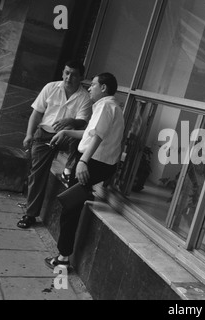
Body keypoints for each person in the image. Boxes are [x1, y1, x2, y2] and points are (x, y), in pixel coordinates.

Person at [44, 72, 124, 269]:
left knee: (70, 209)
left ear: (103, 88)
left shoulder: (106, 106)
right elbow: (89, 134)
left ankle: (63, 258)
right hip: (95, 162)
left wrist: (83, 163)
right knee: (72, 204)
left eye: (93, 85)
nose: (89, 88)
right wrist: (65, 131)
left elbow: (97, 137)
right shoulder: (108, 106)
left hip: (93, 162)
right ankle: (64, 254)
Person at [17, 61, 92, 229]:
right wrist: (29, 134)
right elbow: (36, 113)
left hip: (67, 136)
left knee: (82, 137)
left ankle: (69, 169)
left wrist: (71, 121)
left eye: (73, 74)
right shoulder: (50, 88)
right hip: (44, 134)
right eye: (66, 73)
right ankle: (30, 215)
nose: (69, 77)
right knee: (37, 174)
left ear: (81, 77)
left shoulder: (84, 97)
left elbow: (83, 121)